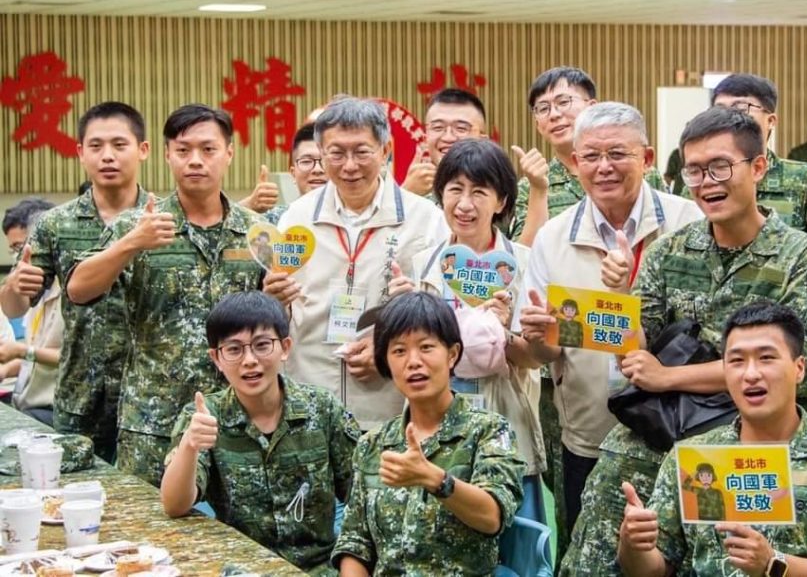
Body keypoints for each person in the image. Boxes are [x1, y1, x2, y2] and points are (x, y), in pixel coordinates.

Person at [560, 108, 807, 577]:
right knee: (598, 548)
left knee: (723, 563)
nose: (707, 182)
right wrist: (621, 298)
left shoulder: (798, 255)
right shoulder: (671, 250)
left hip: (744, 442)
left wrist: (670, 376)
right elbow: (636, 350)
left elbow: (783, 365)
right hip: (658, 432)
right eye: (695, 171)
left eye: (721, 166)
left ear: (759, 167)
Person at [518, 102, 703, 567]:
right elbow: (542, 353)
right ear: (575, 161)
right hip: (591, 433)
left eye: (617, 154)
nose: (604, 167)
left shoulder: (691, 225)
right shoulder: (554, 238)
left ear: (646, 156)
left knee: (677, 559)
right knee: (590, 559)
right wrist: (538, 336)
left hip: (683, 433)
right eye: (591, 156)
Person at [618, 302, 807, 577]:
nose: (751, 374)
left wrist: (774, 565)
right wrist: (633, 545)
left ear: (799, 368)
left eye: (766, 358)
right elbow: (652, 569)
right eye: (737, 361)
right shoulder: (695, 457)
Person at [67, 104, 266, 486]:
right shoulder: (138, 224)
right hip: (152, 421)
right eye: (183, 150)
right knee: (147, 535)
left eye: (208, 150)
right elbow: (78, 290)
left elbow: (275, 322)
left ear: (229, 152)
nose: (195, 161)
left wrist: (279, 296)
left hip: (237, 419)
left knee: (235, 540)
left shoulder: (257, 232)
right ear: (165, 155)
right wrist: (130, 245)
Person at [387, 138, 546, 522]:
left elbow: (538, 357)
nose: (464, 204)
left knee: (513, 537)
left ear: (502, 201)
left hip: (506, 420)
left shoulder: (525, 265)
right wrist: (404, 311)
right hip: (433, 427)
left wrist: (504, 332)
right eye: (454, 190)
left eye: (479, 191)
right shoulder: (422, 264)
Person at [266, 97, 444, 430]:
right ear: (321, 153)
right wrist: (275, 301)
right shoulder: (297, 218)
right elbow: (282, 316)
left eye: (362, 152)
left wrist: (387, 348)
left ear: (385, 149)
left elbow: (444, 316)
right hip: (311, 403)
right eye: (336, 153)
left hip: (392, 406)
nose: (349, 166)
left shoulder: (427, 221)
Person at [161, 291, 360, 576]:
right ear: (216, 358)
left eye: (262, 345)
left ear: (285, 347)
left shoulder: (323, 409)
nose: (250, 360)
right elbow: (174, 505)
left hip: (316, 569)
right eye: (234, 349)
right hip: (241, 569)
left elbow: (361, 495)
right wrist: (190, 446)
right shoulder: (206, 416)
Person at [332, 292, 525, 576]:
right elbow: (355, 543)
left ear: (452, 354)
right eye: (399, 351)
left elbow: (493, 516)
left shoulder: (488, 430)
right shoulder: (372, 445)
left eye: (426, 347)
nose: (413, 362)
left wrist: (434, 479)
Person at [1, 102, 151, 461]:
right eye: (96, 146)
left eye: (120, 145)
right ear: (81, 152)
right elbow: (15, 306)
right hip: (79, 391)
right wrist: (13, 288)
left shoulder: (162, 219)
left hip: (149, 395)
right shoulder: (56, 224)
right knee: (76, 494)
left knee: (148, 500)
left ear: (142, 150)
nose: (108, 156)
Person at [509, 66, 666, 245]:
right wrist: (538, 189)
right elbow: (526, 258)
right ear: (538, 125)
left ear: (592, 107)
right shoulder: (530, 187)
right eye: (543, 108)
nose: (553, 114)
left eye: (563, 102)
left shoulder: (643, 172)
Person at [707, 73, 807, 279]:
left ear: (770, 121)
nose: (727, 119)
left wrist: (801, 297)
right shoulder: (703, 183)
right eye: (719, 111)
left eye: (740, 109)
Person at [0, 198, 62, 425]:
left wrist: (20, 350)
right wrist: (6, 370)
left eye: (20, 247)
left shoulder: (76, 289)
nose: (17, 257)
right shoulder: (36, 291)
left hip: (54, 410)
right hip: (26, 401)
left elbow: (71, 358)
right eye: (13, 249)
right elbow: (34, 361)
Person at [402, 88, 488, 200]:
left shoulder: (498, 189)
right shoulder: (409, 191)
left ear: (483, 140)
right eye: (438, 127)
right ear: (425, 137)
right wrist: (406, 194)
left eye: (461, 128)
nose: (448, 137)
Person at [263, 122, 330, 224]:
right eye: (306, 161)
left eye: (325, 161)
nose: (317, 169)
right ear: (293, 174)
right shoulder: (274, 220)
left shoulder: (355, 220)